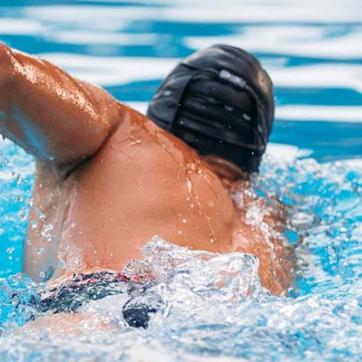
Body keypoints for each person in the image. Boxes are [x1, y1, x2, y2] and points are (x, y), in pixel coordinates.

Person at [0, 43, 293, 315]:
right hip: (219, 331)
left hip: (102, 313)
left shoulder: (123, 133)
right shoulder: (269, 232)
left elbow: (6, 70)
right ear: (252, 157)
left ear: (158, 116)